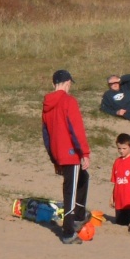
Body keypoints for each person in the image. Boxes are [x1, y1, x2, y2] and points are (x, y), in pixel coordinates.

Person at [42, 69, 91, 245]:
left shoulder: (47, 104)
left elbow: (46, 135)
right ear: (68, 82)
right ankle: (68, 231)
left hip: (58, 153)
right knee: (70, 190)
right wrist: (84, 153)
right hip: (70, 153)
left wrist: (53, 158)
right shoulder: (69, 101)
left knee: (83, 178)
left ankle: (78, 215)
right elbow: (76, 129)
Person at [110, 133, 130, 225]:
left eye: (124, 148)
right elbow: (115, 182)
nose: (121, 151)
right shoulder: (117, 162)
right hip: (119, 201)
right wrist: (112, 197)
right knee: (120, 223)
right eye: (119, 148)